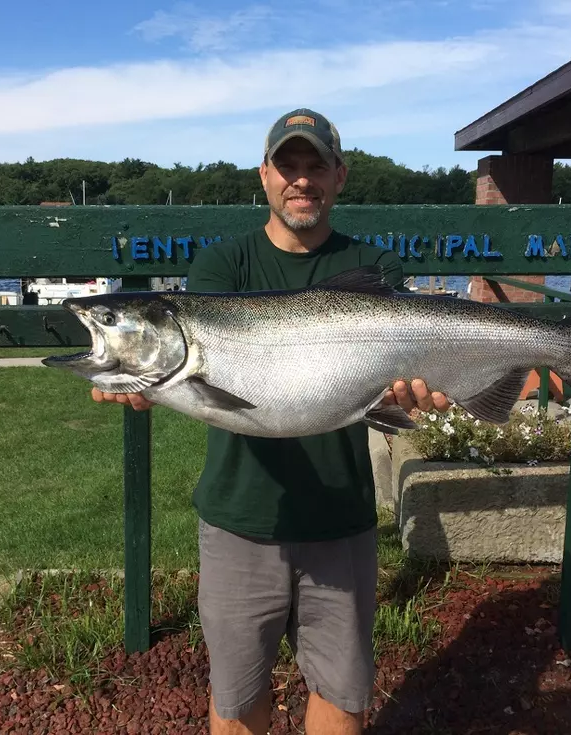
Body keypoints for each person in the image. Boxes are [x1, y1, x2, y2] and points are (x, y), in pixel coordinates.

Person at [93, 108, 450, 734]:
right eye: (289, 166)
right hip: (239, 519)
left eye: (316, 167)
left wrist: (411, 394)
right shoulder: (219, 271)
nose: (302, 181)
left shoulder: (375, 267)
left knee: (343, 696)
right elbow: (196, 383)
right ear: (264, 174)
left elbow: (397, 390)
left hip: (339, 520)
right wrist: (142, 383)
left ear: (340, 176)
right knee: (235, 700)